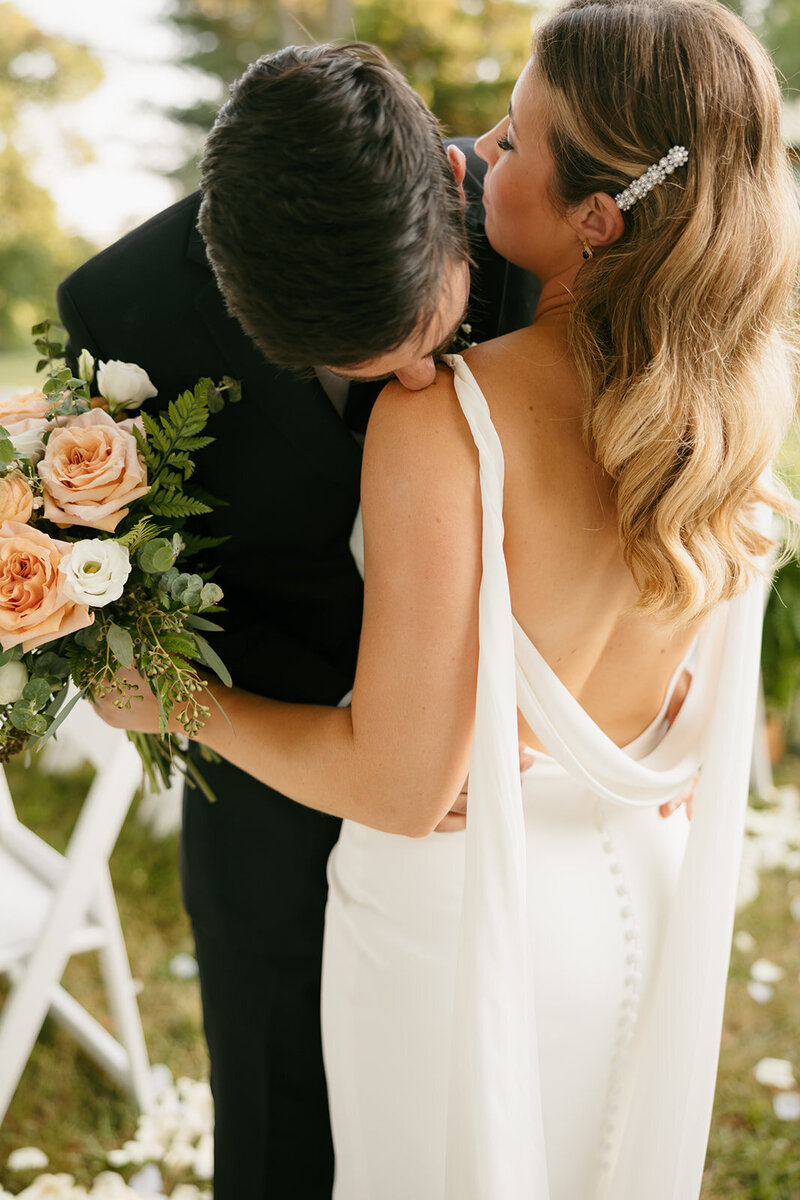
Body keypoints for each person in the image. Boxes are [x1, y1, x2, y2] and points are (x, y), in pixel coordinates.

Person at [97, 1, 800, 1197]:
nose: (477, 157)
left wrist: (158, 704)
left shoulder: (446, 416)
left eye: (514, 139)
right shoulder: (742, 387)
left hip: (456, 915)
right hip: (630, 889)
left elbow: (403, 786)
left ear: (596, 212)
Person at [57, 43, 539, 1200]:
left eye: (433, 340)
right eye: (370, 364)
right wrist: (157, 686)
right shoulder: (118, 309)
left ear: (449, 188)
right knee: (276, 1105)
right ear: (231, 287)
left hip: (499, 776)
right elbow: (106, 575)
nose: (418, 387)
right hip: (265, 744)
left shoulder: (529, 225)